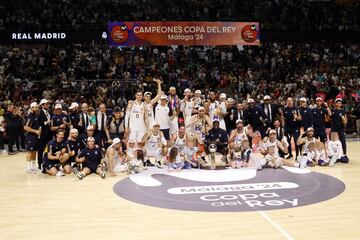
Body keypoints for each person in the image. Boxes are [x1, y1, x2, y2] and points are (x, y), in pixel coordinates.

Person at [23, 102, 41, 173]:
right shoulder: (29, 116)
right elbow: (25, 127)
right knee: (30, 151)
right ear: (31, 108)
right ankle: (28, 167)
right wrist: (35, 131)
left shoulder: (36, 115)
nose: (36, 108)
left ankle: (33, 167)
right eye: (35, 107)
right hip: (30, 136)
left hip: (36, 136)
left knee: (34, 151)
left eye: (37, 107)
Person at [330, 98, 349, 163]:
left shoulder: (343, 111)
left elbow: (345, 122)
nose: (338, 104)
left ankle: (344, 154)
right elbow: (329, 118)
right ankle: (333, 156)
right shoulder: (333, 110)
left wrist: (344, 119)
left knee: (343, 141)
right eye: (337, 103)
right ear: (335, 104)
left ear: (341, 104)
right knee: (332, 142)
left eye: (339, 103)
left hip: (341, 129)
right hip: (333, 129)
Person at [38, 99, 52, 169]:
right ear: (42, 105)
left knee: (48, 149)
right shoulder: (39, 113)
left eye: (48, 104)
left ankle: (47, 162)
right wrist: (46, 122)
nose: (48, 105)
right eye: (46, 104)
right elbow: (39, 123)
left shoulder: (49, 112)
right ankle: (39, 164)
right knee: (40, 150)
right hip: (42, 134)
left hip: (49, 134)